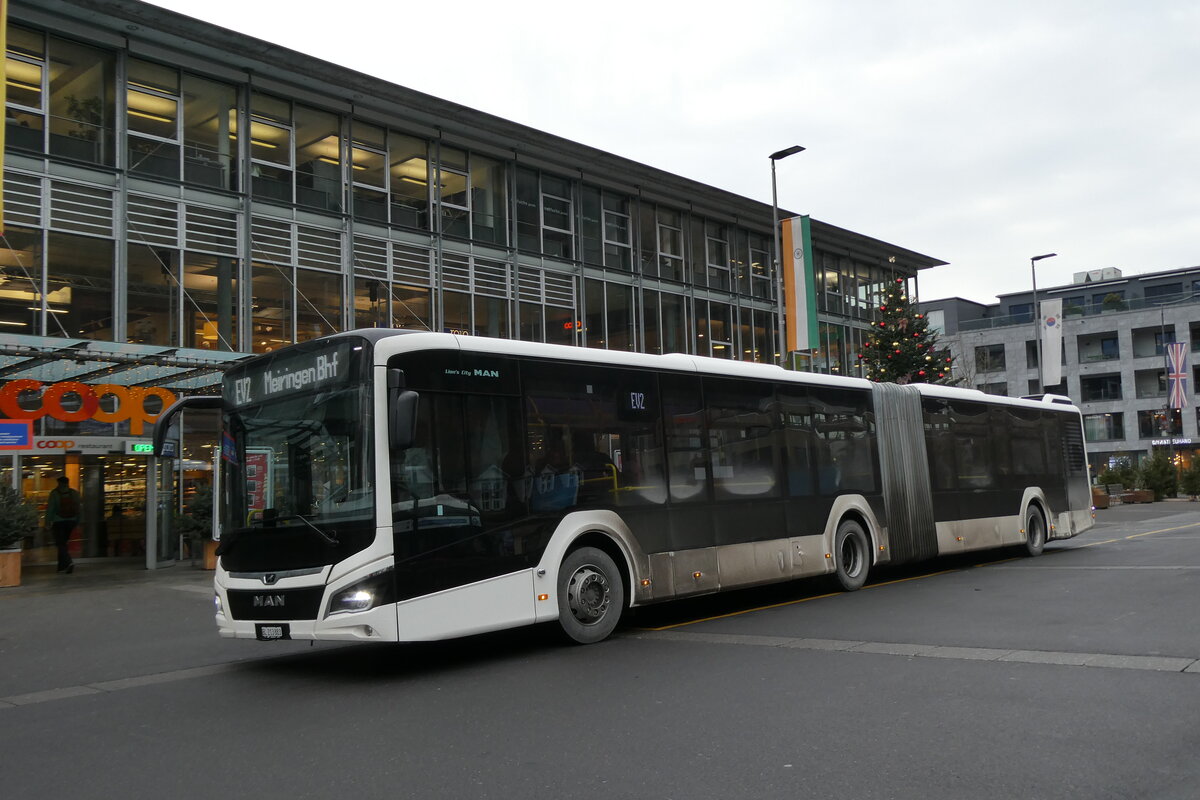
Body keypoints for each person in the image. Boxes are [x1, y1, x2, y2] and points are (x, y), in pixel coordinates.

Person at [45, 475, 81, 574]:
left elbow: (50, 509)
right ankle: (61, 566)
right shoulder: (74, 493)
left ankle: (68, 562)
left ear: (59, 483)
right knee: (63, 543)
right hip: (71, 521)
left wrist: (47, 522)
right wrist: (78, 522)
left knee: (60, 543)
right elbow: (78, 509)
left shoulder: (54, 493)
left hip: (58, 521)